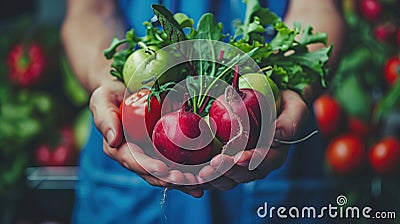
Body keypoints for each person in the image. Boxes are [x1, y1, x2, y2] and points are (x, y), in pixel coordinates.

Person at [61, 0, 345, 223]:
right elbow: (90, 12)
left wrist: (293, 87)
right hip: (136, 145)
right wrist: (107, 78)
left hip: (274, 164)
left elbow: (317, 8)